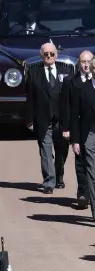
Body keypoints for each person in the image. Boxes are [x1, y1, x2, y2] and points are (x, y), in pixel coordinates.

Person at [26, 42, 69, 194]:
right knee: (45, 149)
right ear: (41, 56)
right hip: (43, 118)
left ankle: (59, 176)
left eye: (52, 54)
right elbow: (30, 98)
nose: (49, 57)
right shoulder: (33, 72)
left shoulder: (66, 70)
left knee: (62, 149)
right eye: (46, 54)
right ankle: (49, 182)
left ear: (56, 55)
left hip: (62, 118)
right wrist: (30, 119)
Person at [60, 50, 93, 209]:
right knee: (80, 160)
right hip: (78, 126)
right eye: (83, 62)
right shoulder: (70, 81)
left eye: (88, 61)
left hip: (92, 126)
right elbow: (66, 107)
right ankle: (83, 192)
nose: (86, 65)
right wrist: (66, 128)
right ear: (78, 63)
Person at [70, 56, 95, 221]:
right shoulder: (82, 88)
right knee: (92, 174)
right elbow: (74, 116)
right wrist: (75, 141)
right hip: (89, 135)